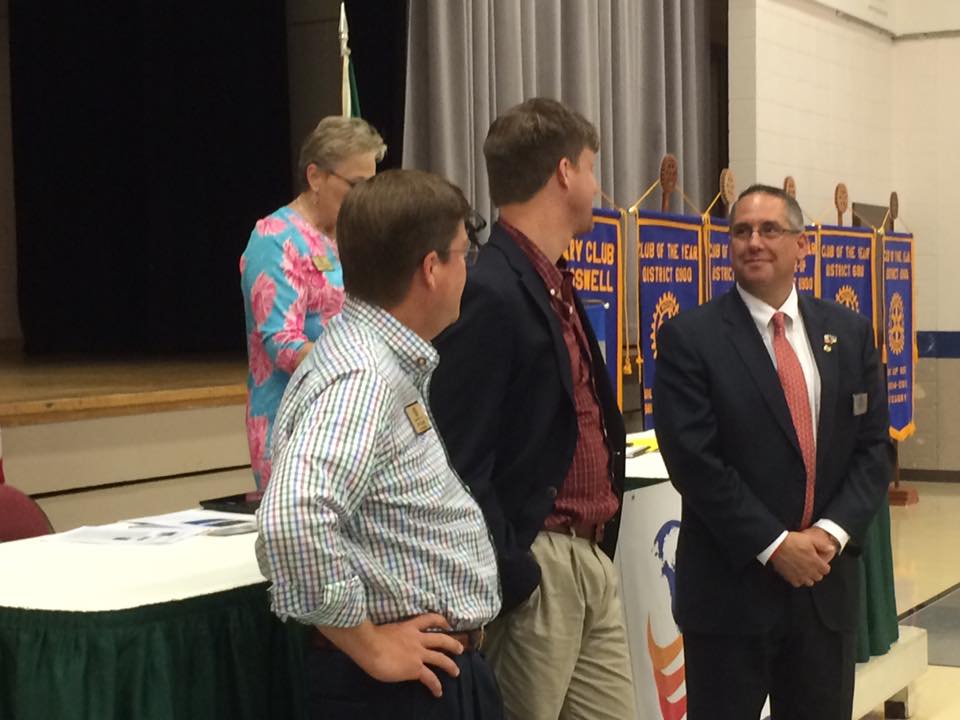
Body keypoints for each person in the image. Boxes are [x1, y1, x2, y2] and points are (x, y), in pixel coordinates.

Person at [256, 168, 503, 720]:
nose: (469, 270)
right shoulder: (364, 377)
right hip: (397, 694)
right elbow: (291, 519)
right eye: (463, 255)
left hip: (420, 682)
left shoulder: (377, 361)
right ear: (431, 269)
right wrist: (371, 646)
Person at [653, 184, 893, 720]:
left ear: (801, 245)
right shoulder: (690, 338)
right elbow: (695, 462)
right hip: (730, 598)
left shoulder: (848, 334)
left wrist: (828, 535)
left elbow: (874, 450)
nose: (754, 242)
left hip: (824, 591)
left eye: (769, 230)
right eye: (741, 231)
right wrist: (775, 545)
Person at [430, 97, 636, 720]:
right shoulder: (490, 288)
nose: (598, 186)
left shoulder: (554, 280)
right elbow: (460, 454)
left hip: (588, 557)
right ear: (565, 173)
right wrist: (513, 571)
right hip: (540, 561)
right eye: (593, 168)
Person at [240, 116, 386, 488]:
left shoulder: (350, 238)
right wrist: (364, 364)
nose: (364, 198)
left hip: (351, 413)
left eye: (371, 185)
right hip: (293, 424)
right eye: (356, 185)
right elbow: (283, 345)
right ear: (316, 177)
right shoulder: (274, 238)